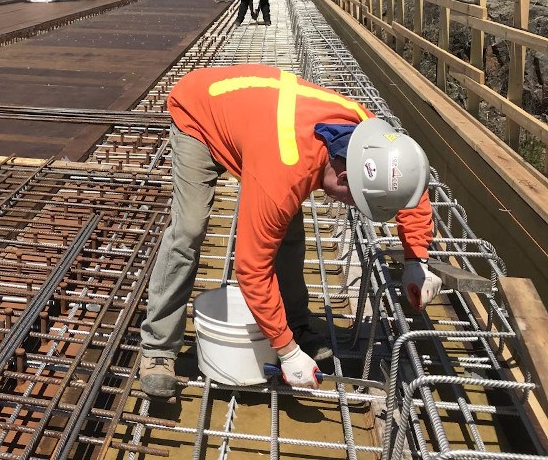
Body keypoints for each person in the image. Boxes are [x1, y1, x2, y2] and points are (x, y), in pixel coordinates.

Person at [139, 64, 441, 397]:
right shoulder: (281, 174)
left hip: (254, 120)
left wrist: (417, 258)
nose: (353, 208)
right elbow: (252, 270)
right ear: (343, 178)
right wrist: (286, 352)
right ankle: (158, 349)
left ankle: (297, 323)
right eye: (355, 201)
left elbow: (410, 181)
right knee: (189, 229)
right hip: (199, 111)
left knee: (287, 234)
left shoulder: (369, 136)